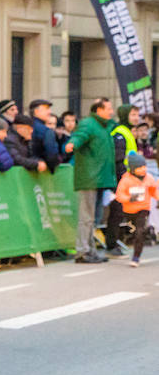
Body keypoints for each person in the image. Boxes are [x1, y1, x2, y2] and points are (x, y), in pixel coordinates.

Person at [66, 97, 118, 264]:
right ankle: (83, 251)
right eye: (108, 108)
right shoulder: (89, 124)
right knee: (87, 217)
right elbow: (79, 136)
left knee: (94, 218)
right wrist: (72, 144)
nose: (111, 111)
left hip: (100, 177)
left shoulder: (104, 126)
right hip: (90, 177)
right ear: (99, 110)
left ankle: (90, 250)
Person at [104, 104, 142, 255]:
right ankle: (111, 245)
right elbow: (117, 158)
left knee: (125, 211)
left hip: (127, 179)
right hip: (120, 179)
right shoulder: (120, 133)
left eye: (137, 115)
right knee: (116, 212)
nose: (136, 118)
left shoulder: (127, 132)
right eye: (133, 114)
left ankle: (119, 241)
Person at [114, 151, 156, 267]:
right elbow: (119, 195)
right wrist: (129, 198)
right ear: (132, 169)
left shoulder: (149, 178)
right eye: (140, 167)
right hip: (129, 211)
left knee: (139, 232)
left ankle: (136, 257)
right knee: (134, 232)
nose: (143, 169)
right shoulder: (126, 180)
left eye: (144, 166)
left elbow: (154, 190)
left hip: (143, 209)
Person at [28, 99, 61, 170]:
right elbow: (51, 155)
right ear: (36, 111)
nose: (49, 112)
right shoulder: (46, 131)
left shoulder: (23, 126)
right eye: (46, 109)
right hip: (41, 171)